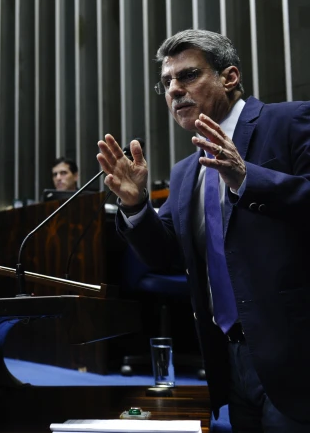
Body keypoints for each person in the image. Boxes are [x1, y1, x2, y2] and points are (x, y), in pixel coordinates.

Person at [96, 29, 310, 430]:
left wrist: (247, 178)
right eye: (166, 82)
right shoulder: (184, 172)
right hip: (227, 360)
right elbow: (162, 256)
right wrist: (136, 205)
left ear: (229, 77)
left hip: (295, 354)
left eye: (188, 75)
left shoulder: (289, 121)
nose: (174, 90)